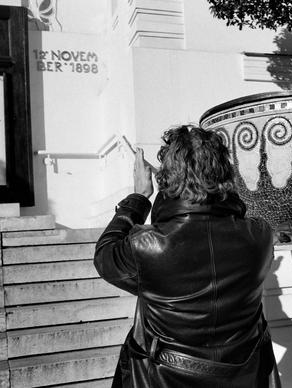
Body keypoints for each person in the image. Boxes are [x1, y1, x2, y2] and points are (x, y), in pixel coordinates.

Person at [94, 125, 281, 387]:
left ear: (167, 179)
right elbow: (233, 213)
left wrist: (139, 197)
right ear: (224, 174)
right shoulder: (259, 236)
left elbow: (105, 255)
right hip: (243, 376)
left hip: (164, 378)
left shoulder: (147, 245)